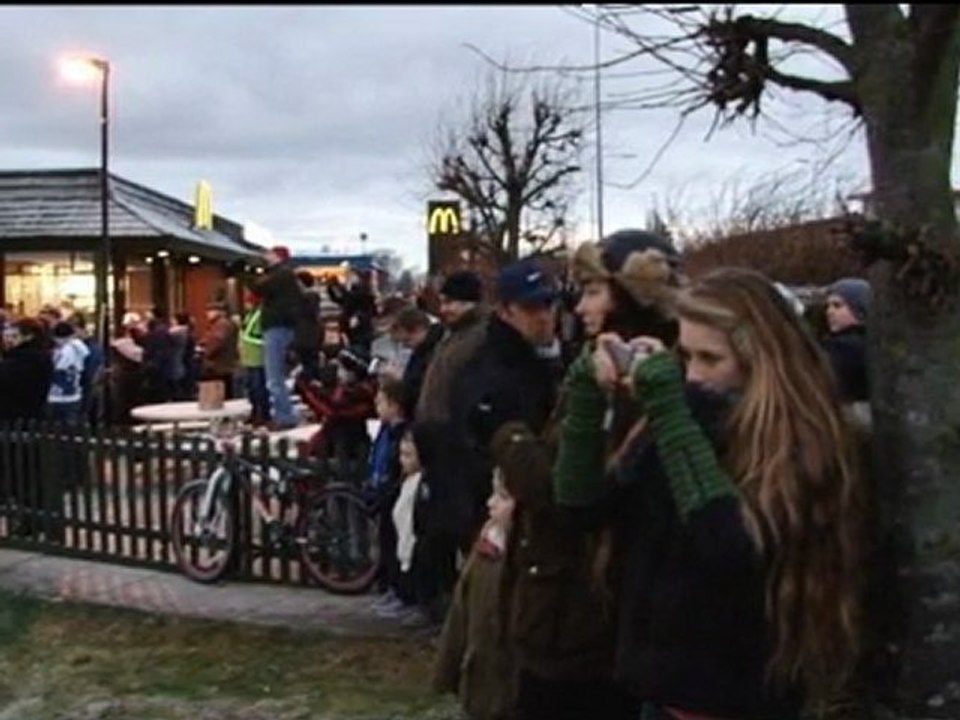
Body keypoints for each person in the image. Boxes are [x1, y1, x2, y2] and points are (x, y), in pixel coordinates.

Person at [555, 267, 865, 719]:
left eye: (710, 359)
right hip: (661, 685)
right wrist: (584, 398)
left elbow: (730, 547)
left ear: (760, 359)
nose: (695, 375)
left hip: (741, 695)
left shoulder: (802, 440)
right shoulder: (683, 413)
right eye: (687, 357)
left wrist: (671, 409)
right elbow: (582, 506)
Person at [433, 441, 519, 720]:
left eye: (502, 496)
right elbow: (461, 612)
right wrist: (447, 668)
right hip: (478, 680)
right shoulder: (486, 548)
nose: (491, 503)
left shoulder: (526, 560)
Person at [366, 376, 411, 610]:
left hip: (391, 492)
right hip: (381, 489)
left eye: (381, 401)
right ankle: (389, 586)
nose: (376, 405)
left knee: (394, 542)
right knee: (385, 541)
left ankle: (400, 590)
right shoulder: (385, 431)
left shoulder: (399, 433)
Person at [252, 246, 304, 430]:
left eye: (269, 254)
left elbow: (259, 287)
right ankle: (284, 413)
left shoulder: (281, 275)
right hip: (282, 327)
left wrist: (249, 272)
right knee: (276, 376)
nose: (265, 256)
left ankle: (284, 416)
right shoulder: (287, 275)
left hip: (276, 327)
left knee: (274, 377)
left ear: (278, 257)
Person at [389, 305, 444, 420]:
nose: (406, 346)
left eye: (407, 340)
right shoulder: (421, 351)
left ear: (419, 330)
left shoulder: (435, 352)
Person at [822, 277, 871, 405]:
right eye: (828, 306)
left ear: (859, 309)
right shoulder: (876, 343)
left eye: (837, 306)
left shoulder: (844, 348)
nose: (829, 312)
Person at [47, 320, 90, 425]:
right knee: (71, 428)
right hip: (74, 394)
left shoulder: (63, 350)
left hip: (55, 395)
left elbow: (57, 367)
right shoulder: (80, 349)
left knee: (53, 429)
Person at [239, 291, 270, 427]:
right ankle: (255, 412)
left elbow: (256, 336)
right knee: (251, 388)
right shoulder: (250, 315)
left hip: (258, 357)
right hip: (249, 357)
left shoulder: (260, 315)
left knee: (259, 388)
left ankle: (263, 414)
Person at [200, 301, 239, 401]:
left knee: (221, 392)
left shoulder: (221, 324)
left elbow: (217, 340)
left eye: (209, 311)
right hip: (224, 363)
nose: (207, 314)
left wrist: (206, 352)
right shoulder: (222, 324)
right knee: (226, 390)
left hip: (220, 364)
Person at [294, 270, 322, 382]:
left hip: (307, 337)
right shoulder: (307, 297)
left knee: (309, 365)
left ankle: (311, 388)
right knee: (308, 364)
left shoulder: (310, 297)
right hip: (306, 337)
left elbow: (309, 313)